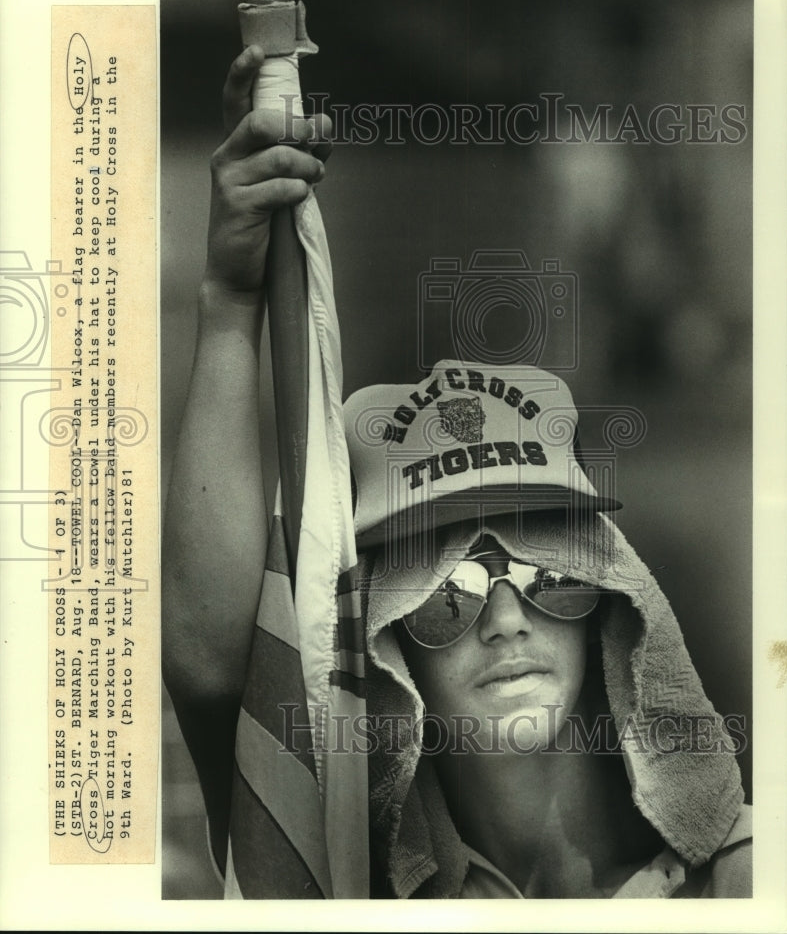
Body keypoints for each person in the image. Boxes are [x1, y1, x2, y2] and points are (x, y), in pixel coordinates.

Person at [162, 46, 752, 899]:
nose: (507, 621)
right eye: (448, 597)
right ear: (388, 647)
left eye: (550, 577)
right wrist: (229, 303)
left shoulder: (740, 882)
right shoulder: (346, 875)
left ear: (613, 609)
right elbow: (213, 671)